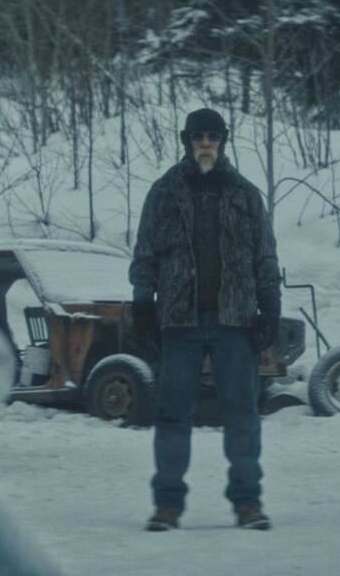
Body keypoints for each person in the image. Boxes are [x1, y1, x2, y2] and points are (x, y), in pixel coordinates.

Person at [129, 107, 281, 532]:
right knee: (172, 414)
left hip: (236, 321)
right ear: (186, 140)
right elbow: (145, 255)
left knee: (243, 414)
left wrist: (270, 308)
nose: (206, 142)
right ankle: (167, 506)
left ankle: (248, 504)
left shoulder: (246, 194)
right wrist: (143, 306)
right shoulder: (164, 192)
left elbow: (265, 256)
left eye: (213, 135)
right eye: (198, 135)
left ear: (224, 139)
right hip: (179, 321)